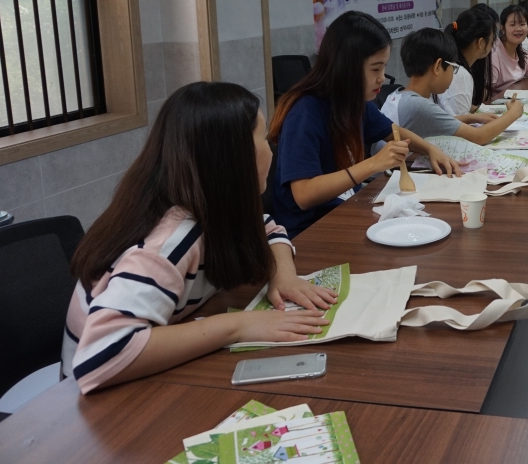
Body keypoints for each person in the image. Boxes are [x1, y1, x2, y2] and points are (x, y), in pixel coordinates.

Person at [64, 82, 335, 394]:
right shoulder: (171, 240)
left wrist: (283, 275)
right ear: (232, 157)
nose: (271, 150)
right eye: (262, 138)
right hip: (96, 405)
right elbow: (101, 355)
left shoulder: (213, 207)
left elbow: (269, 228)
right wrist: (238, 327)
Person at [269, 11, 460, 236]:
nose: (382, 77)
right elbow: (304, 195)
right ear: (347, 67)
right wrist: (373, 164)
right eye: (375, 69)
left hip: (347, 214)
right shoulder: (305, 112)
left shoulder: (353, 100)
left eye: (384, 67)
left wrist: (430, 149)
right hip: (312, 231)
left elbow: (393, 132)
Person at [396, 28, 525, 145]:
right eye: (453, 67)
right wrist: (513, 114)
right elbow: (478, 137)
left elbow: (437, 121)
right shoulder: (418, 105)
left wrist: (470, 117)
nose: (454, 73)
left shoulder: (399, 96)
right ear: (437, 67)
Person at [436, 8, 501, 119]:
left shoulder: (455, 66)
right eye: (492, 38)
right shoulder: (459, 73)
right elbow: (460, 126)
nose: (494, 42)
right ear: (480, 43)